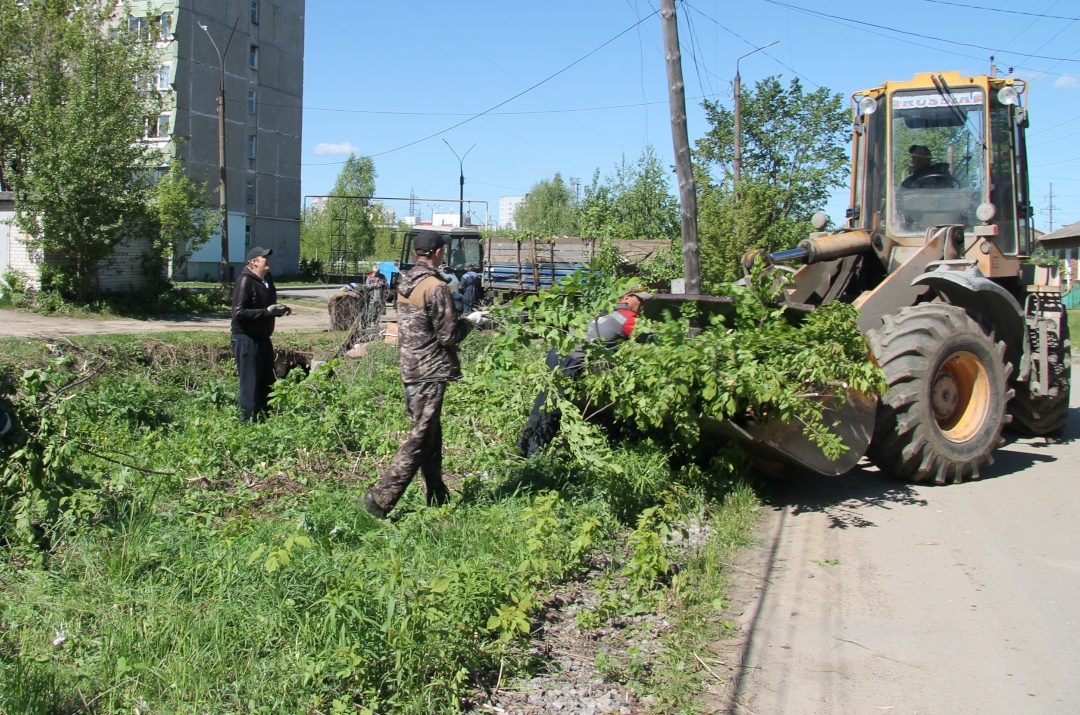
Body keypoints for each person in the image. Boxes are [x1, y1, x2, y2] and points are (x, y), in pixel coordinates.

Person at [363, 230, 487, 519]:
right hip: (430, 371)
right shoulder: (435, 286)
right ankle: (379, 500)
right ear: (437, 253)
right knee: (421, 438)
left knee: (431, 433)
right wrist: (470, 321)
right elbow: (449, 336)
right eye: (443, 250)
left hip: (411, 367)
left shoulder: (406, 281)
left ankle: (437, 493)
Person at [516, 290, 648, 457]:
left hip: (558, 353)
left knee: (544, 399)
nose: (643, 305)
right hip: (571, 360)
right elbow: (645, 338)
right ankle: (534, 456)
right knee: (556, 405)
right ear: (627, 298)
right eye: (641, 300)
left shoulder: (606, 312)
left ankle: (522, 444)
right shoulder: (628, 318)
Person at [231, 246, 291, 422]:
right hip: (246, 338)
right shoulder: (245, 281)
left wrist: (280, 310)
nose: (268, 259)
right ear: (253, 262)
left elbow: (267, 307)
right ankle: (247, 423)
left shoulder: (267, 279)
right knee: (249, 384)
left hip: (263, 338)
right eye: (264, 257)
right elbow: (239, 313)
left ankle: (265, 420)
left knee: (268, 380)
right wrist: (267, 312)